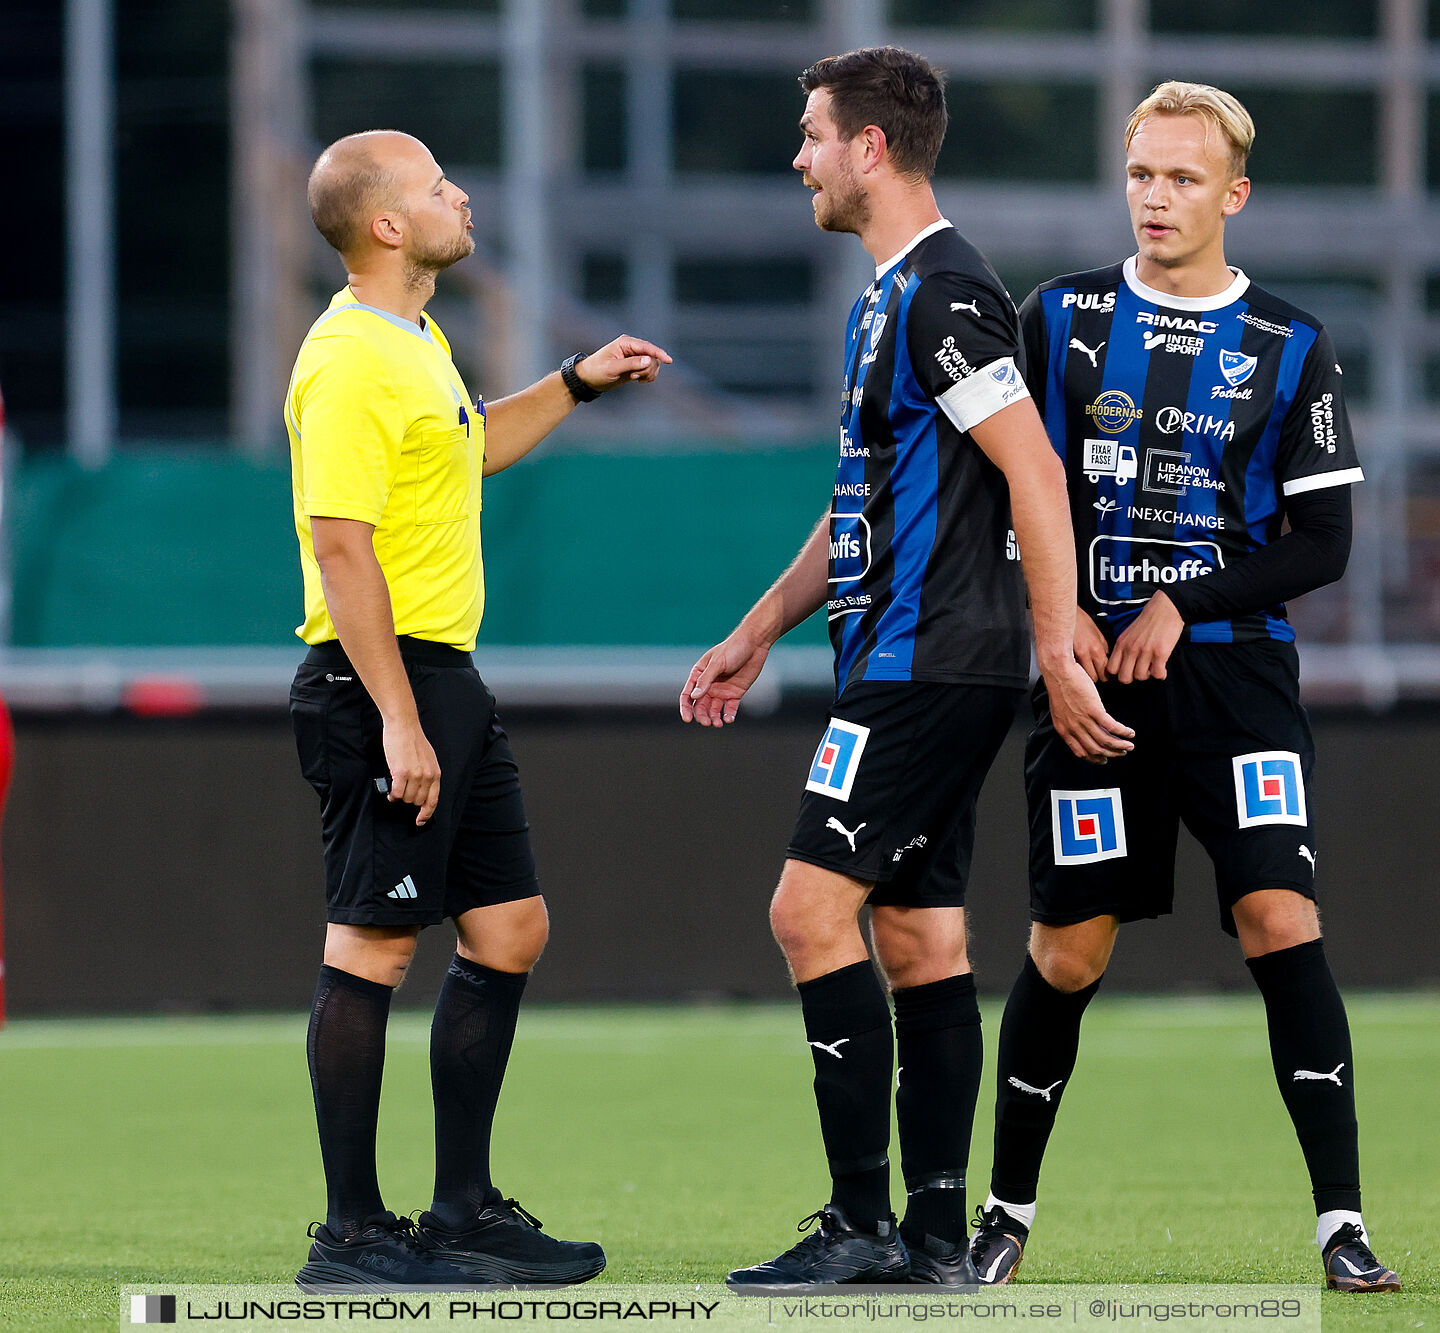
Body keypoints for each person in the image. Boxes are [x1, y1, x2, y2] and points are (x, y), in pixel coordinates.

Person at [680, 46, 1131, 1290]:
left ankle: (859, 1223)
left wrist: (1054, 639)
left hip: (931, 662)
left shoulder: (942, 293)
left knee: (804, 910)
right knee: (921, 942)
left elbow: (1034, 473)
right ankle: (933, 1242)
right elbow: (866, 501)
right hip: (900, 651)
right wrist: (761, 626)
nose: (800, 157)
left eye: (814, 134)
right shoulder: (888, 296)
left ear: (870, 147)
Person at [968, 82, 1400, 1295]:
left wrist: (1184, 601)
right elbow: (1005, 490)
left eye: (1184, 179)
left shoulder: (1291, 343)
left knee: (1281, 919)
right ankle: (1004, 1217)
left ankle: (1342, 1225)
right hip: (1088, 683)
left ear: (1234, 195)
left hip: (1237, 686)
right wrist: (1056, 640)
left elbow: (1323, 545)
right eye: (1142, 175)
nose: (1158, 198)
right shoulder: (1057, 320)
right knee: (1068, 948)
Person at [285, 129, 671, 1291]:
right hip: (379, 681)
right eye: (437, 185)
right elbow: (341, 549)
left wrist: (571, 383)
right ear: (388, 227)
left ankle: (461, 1211)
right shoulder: (348, 357)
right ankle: (352, 1235)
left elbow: (466, 449)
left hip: (441, 676)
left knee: (511, 929)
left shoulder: (418, 341)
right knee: (374, 942)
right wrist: (398, 719)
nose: (461, 194)